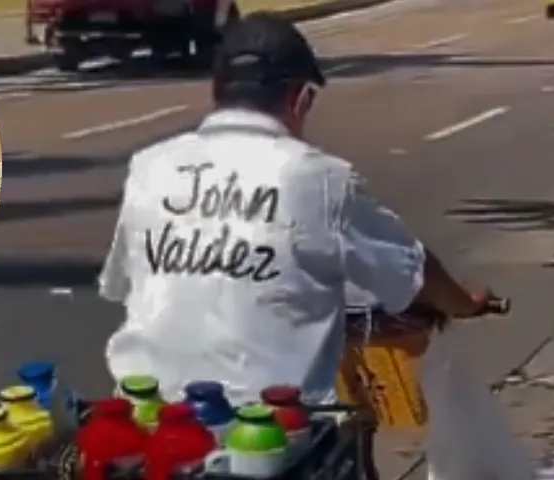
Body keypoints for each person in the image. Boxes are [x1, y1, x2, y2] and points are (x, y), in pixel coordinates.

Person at [96, 12, 493, 407]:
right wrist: (464, 302)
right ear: (301, 99)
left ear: (217, 93)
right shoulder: (320, 178)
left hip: (144, 414)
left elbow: (120, 283)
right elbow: (413, 272)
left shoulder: (150, 165)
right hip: (273, 422)